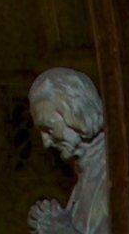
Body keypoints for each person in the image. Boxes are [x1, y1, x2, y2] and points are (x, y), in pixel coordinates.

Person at [24, 67, 107, 234]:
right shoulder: (87, 175)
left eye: (49, 129)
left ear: (75, 113)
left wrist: (60, 230)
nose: (46, 143)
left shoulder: (113, 172)